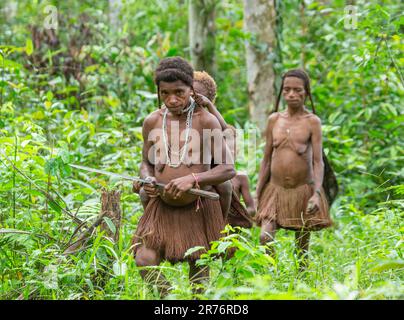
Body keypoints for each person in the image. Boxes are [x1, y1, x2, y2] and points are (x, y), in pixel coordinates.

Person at [131, 57, 235, 297]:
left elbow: (227, 169)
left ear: (191, 89)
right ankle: (168, 300)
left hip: (197, 207)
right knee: (144, 261)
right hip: (162, 207)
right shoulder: (152, 121)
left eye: (179, 92)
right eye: (165, 93)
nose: (172, 99)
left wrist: (193, 179)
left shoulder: (206, 121)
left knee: (198, 270)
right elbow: (146, 162)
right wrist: (146, 179)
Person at [256, 69, 333, 271]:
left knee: (301, 248)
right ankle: (270, 276)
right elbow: (265, 160)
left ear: (306, 93)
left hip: (302, 190)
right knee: (265, 236)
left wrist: (316, 194)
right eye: (287, 90)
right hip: (275, 190)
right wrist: (257, 193)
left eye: (297, 90)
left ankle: (301, 280)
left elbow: (318, 161)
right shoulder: (274, 120)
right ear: (282, 92)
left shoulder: (312, 122)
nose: (291, 94)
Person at [192, 71, 255, 229]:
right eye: (190, 93)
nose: (193, 99)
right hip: (186, 165)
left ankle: (220, 220)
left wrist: (208, 105)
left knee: (225, 186)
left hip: (212, 168)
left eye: (198, 96)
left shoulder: (208, 117)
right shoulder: (176, 113)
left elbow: (224, 128)